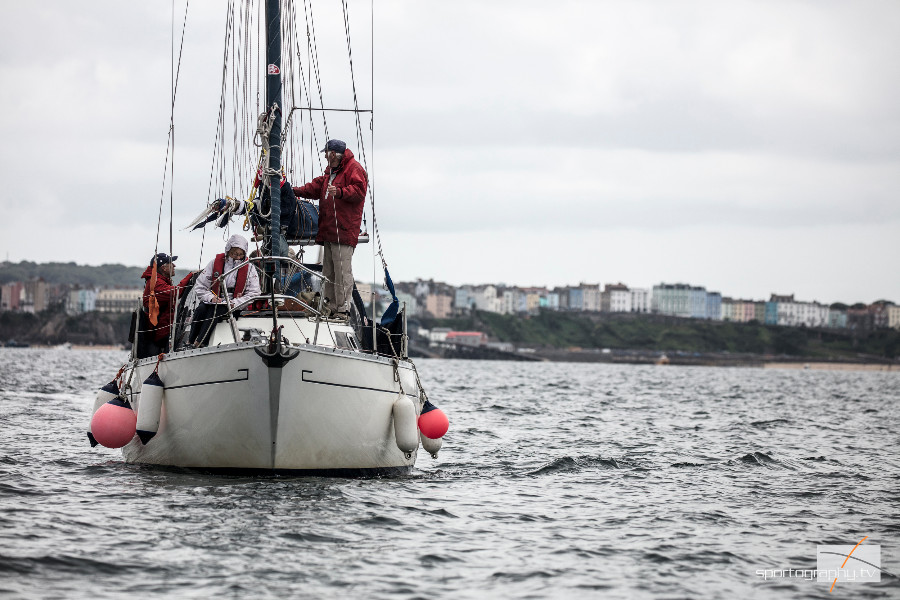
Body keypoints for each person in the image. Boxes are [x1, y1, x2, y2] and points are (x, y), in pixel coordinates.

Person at [293, 139, 367, 318]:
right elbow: (315, 188)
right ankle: (329, 307)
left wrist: (340, 192)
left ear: (332, 154)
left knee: (342, 272)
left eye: (326, 153)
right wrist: (292, 191)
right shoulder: (331, 172)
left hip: (343, 230)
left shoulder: (353, 168)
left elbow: (359, 191)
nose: (325, 157)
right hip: (330, 231)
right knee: (329, 272)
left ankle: (342, 309)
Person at [189, 234, 261, 347]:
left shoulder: (250, 268)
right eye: (234, 253)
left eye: (240, 254)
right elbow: (201, 285)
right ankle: (191, 340)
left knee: (216, 311)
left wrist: (235, 303)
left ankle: (201, 342)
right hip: (213, 300)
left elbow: (254, 292)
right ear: (228, 250)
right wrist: (211, 297)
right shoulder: (214, 263)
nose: (237, 257)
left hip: (234, 303)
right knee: (201, 309)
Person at [141, 253, 193, 354]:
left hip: (163, 331)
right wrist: (190, 276)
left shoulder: (159, 281)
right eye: (171, 263)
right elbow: (175, 293)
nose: (174, 266)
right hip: (158, 334)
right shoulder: (156, 283)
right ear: (163, 268)